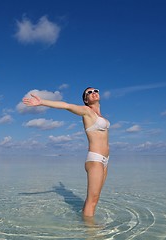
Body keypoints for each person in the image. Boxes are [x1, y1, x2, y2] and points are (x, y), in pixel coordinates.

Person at [22, 87, 110, 217]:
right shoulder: (87, 111)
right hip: (95, 159)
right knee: (92, 200)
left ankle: (85, 224)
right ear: (86, 100)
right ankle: (91, 233)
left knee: (95, 198)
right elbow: (66, 105)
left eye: (95, 90)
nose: (93, 93)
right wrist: (42, 102)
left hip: (105, 160)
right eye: (89, 93)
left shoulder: (100, 115)